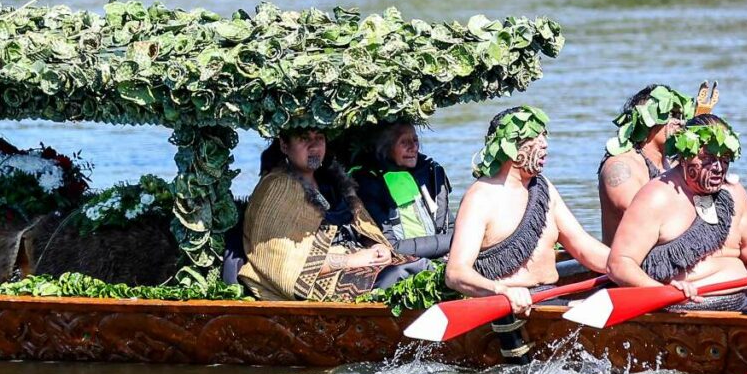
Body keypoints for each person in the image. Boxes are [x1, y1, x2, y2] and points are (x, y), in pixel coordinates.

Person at [444, 106, 609, 315]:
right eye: (535, 138)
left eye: (544, 137)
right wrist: (501, 290)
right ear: (511, 146)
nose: (545, 145)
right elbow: (456, 273)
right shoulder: (480, 198)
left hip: (551, 298)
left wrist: (629, 265)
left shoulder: (543, 188)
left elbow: (583, 247)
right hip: (505, 307)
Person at [239, 129, 424, 301]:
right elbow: (280, 261)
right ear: (284, 145)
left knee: (421, 266)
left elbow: (363, 227)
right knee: (397, 274)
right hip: (320, 277)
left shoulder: (334, 182)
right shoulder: (276, 188)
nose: (314, 146)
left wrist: (376, 246)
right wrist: (352, 260)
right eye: (304, 139)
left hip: (361, 257)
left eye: (319, 138)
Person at [607, 114, 747, 310]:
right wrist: (663, 293)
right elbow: (619, 264)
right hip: (685, 306)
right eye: (707, 158)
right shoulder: (656, 197)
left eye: (724, 158)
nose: (718, 167)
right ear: (684, 157)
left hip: (743, 300)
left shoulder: (734, 193)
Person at [598, 85, 693, 244]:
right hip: (630, 263)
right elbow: (643, 220)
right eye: (672, 114)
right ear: (646, 119)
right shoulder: (621, 166)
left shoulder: (674, 165)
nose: (681, 122)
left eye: (681, 115)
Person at [354, 123, 453, 263]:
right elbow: (391, 246)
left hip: (441, 252)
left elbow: (449, 224)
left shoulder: (428, 173)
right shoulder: (369, 183)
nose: (413, 147)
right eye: (404, 142)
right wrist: (453, 242)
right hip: (403, 263)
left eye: (415, 140)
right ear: (386, 148)